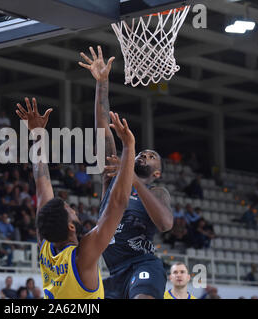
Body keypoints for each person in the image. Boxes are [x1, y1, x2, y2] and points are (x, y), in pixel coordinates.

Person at [15, 96, 136, 299]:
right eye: (70, 210)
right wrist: (129, 148)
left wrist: (37, 135)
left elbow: (42, 182)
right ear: (71, 226)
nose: (74, 209)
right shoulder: (81, 257)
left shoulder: (47, 246)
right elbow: (117, 203)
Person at [80, 46, 173, 299]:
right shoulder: (112, 177)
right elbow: (103, 129)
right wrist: (102, 83)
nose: (144, 155)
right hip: (113, 272)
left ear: (156, 173)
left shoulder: (158, 192)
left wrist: (130, 174)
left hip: (143, 266)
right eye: (142, 152)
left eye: (151, 156)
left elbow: (165, 223)